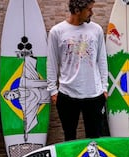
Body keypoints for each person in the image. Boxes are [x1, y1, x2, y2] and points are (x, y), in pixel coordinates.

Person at [47, 0, 108, 141]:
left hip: (94, 94)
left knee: (95, 140)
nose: (92, 13)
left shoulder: (96, 30)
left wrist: (104, 87)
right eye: (89, 9)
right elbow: (51, 62)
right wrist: (53, 90)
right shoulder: (57, 32)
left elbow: (102, 60)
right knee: (70, 138)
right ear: (77, 10)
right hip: (67, 94)